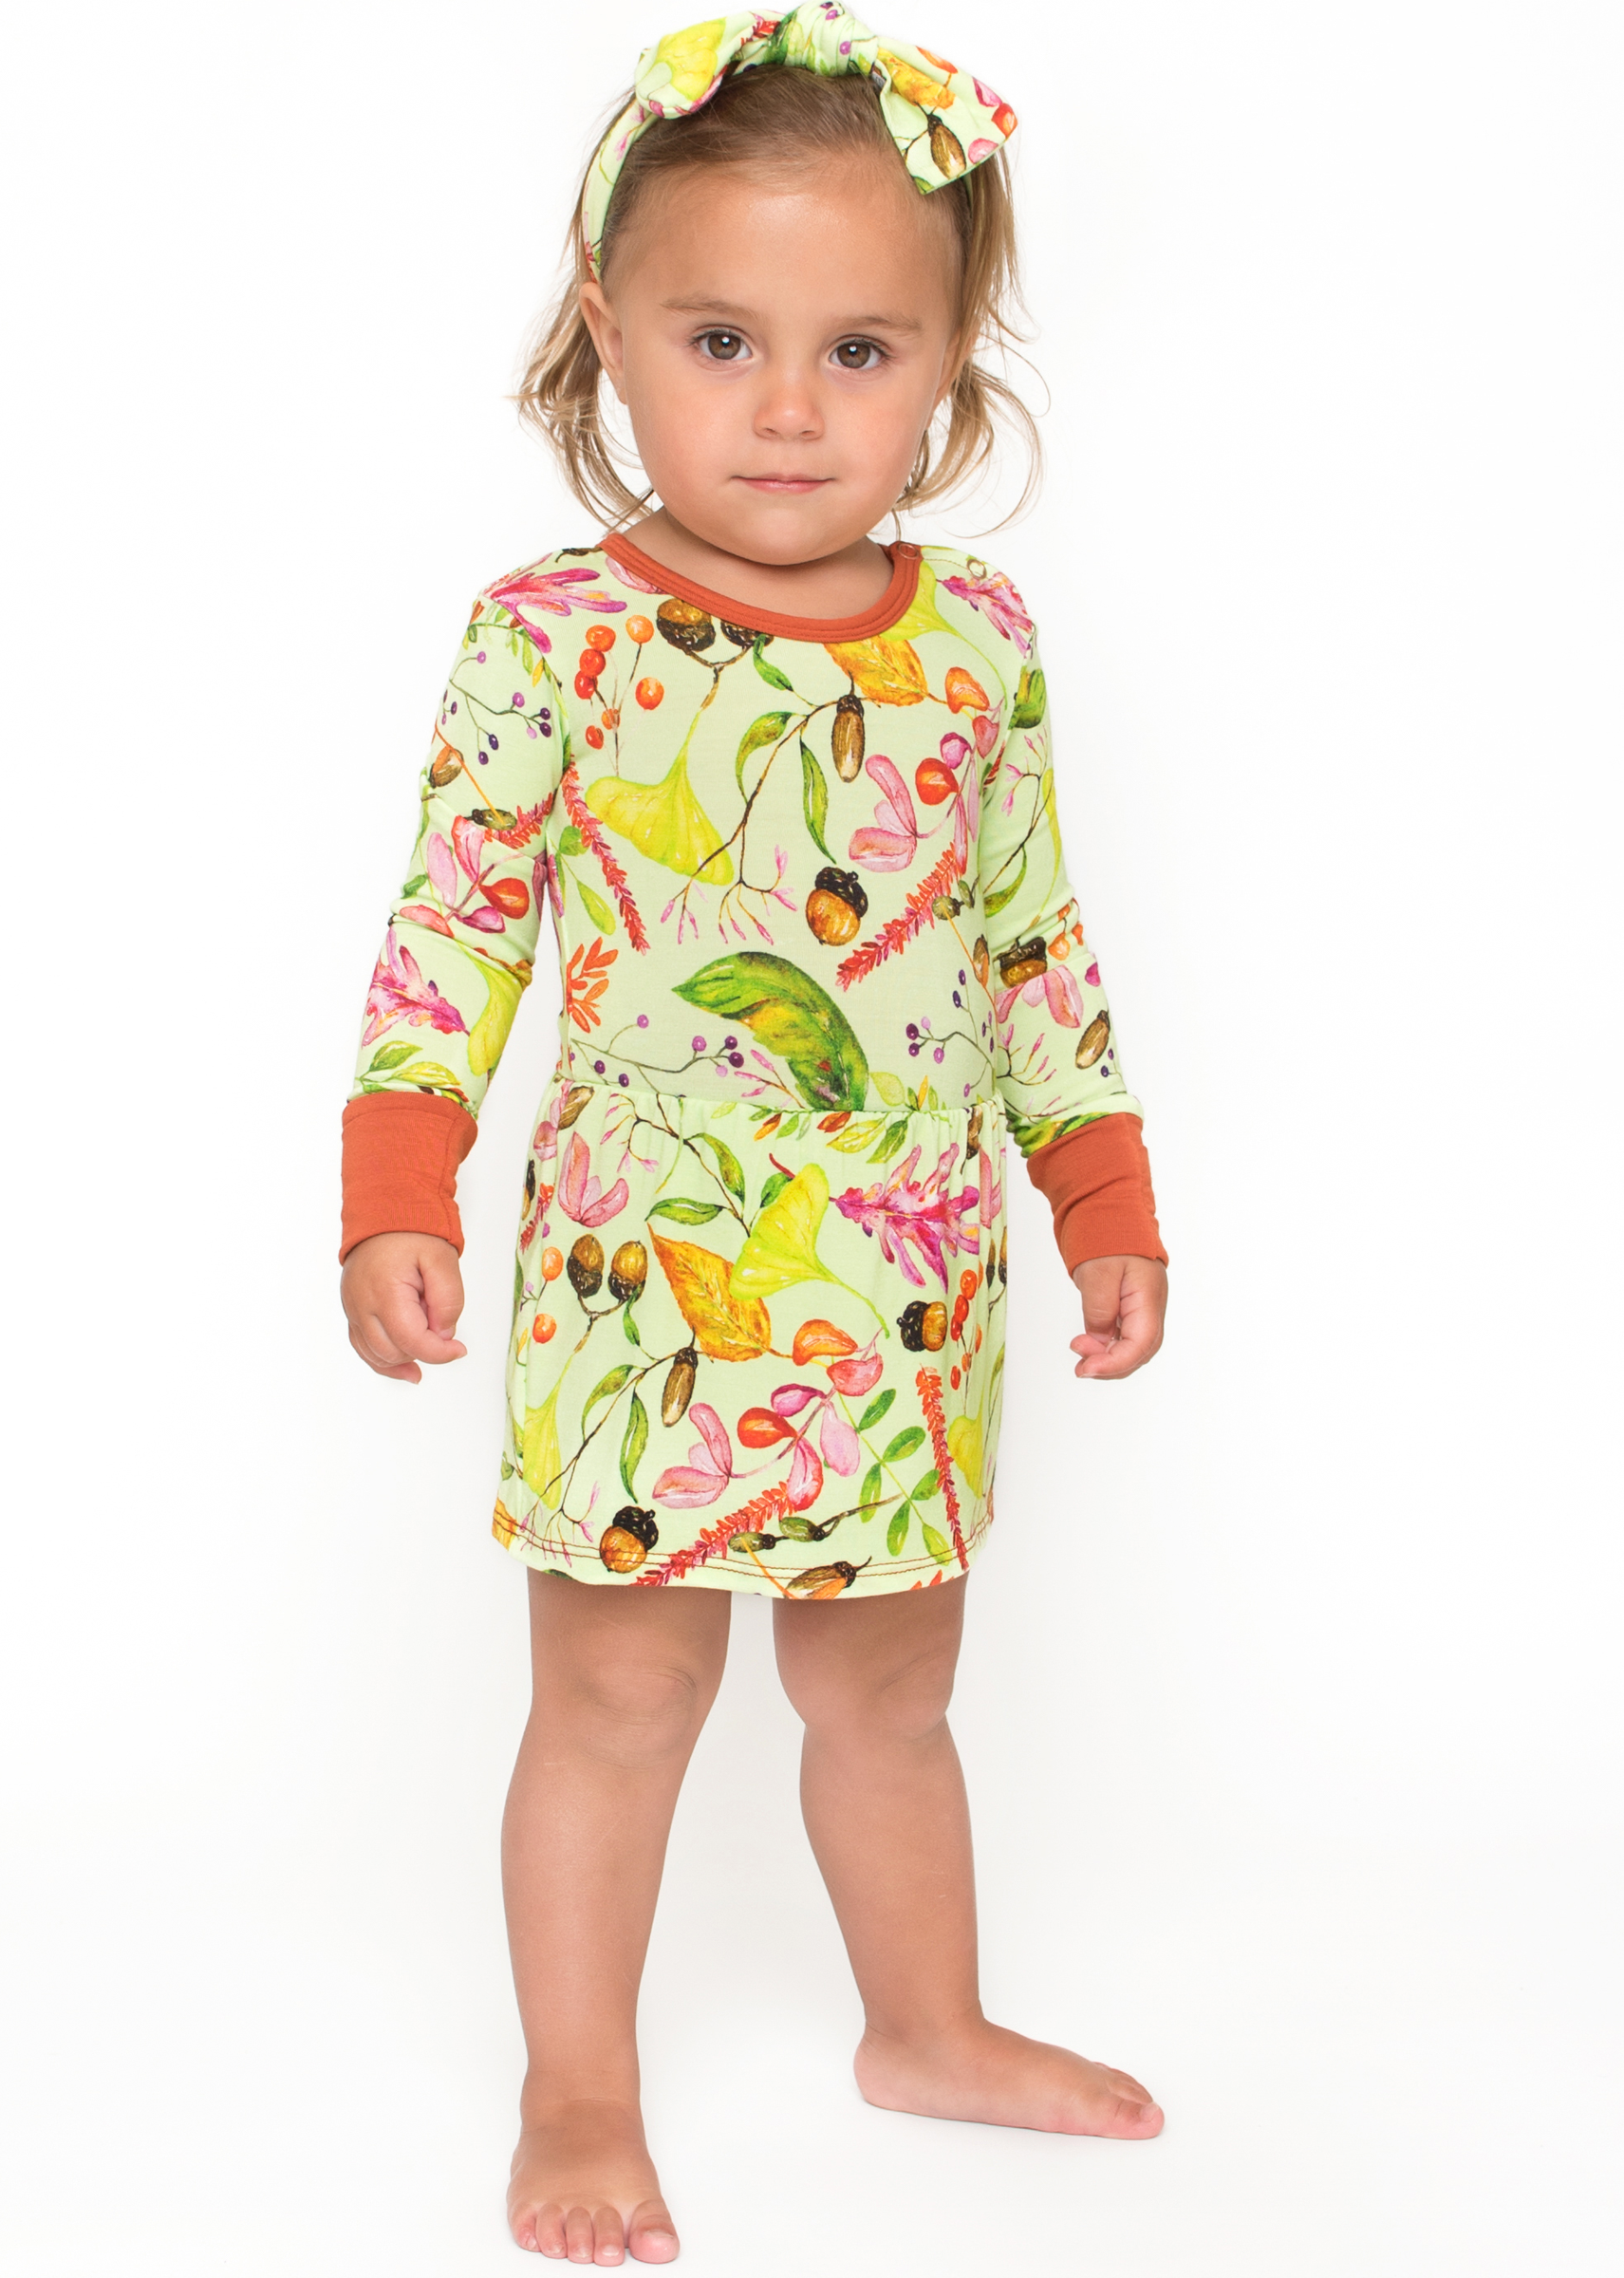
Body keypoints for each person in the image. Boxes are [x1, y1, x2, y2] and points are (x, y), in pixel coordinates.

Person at [339, 9, 1169, 2263]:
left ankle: (929, 2025)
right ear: (609, 327)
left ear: (949, 362)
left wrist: (1100, 1188)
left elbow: (1032, 941)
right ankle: (578, 2085)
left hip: (905, 1290)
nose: (790, 408)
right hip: (644, 1287)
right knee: (621, 1692)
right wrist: (397, 1183)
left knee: (892, 1689)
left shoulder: (976, 643)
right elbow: (453, 928)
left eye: (860, 350)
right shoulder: (551, 639)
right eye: (724, 340)